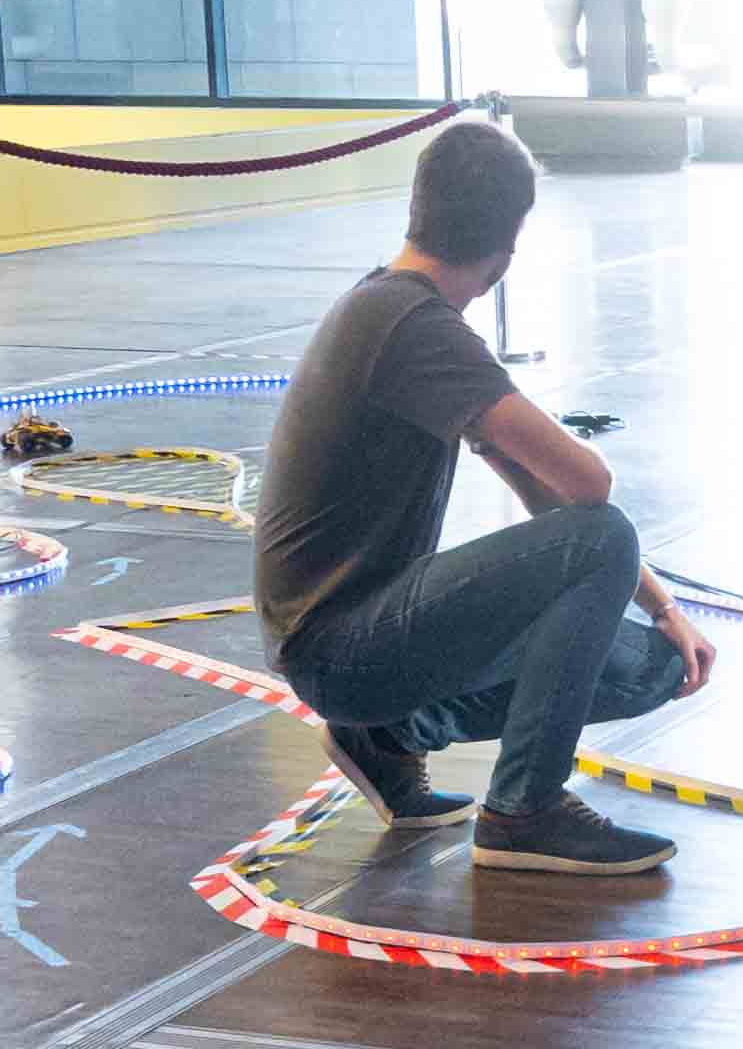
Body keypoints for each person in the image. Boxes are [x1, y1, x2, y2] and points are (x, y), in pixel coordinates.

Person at [251, 109, 710, 888]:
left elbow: (552, 499)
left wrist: (664, 610)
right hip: (339, 650)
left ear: (421, 207)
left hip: (344, 645)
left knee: (651, 667)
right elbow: (591, 490)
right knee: (602, 538)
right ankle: (524, 810)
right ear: (510, 242)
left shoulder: (389, 305)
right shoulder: (414, 327)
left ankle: (388, 737)